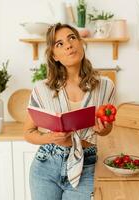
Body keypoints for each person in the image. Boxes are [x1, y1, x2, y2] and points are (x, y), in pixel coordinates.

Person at [23, 23, 116, 200]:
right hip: (46, 166)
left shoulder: (105, 86)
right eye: (59, 44)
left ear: (81, 43)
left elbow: (107, 129)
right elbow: (28, 133)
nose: (68, 45)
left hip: (86, 167)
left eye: (72, 38)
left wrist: (103, 129)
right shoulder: (42, 89)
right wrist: (50, 137)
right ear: (54, 56)